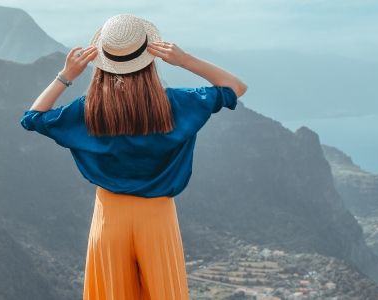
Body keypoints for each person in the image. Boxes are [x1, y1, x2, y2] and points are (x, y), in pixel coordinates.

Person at [19, 14, 247, 300]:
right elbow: (235, 87)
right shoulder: (174, 104)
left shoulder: (89, 111)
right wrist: (185, 60)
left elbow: (32, 118)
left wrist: (66, 76)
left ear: (103, 61)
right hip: (157, 219)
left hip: (110, 220)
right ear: (149, 57)